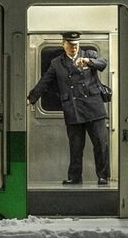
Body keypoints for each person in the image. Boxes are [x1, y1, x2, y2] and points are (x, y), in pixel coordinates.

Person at [26, 32, 110, 186]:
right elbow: (45, 81)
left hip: (93, 107)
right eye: (71, 45)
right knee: (75, 146)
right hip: (73, 108)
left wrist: (88, 62)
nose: (74, 48)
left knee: (100, 144)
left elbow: (103, 63)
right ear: (63, 44)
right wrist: (31, 98)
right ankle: (75, 177)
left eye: (76, 45)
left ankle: (103, 176)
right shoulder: (57, 63)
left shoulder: (88, 54)